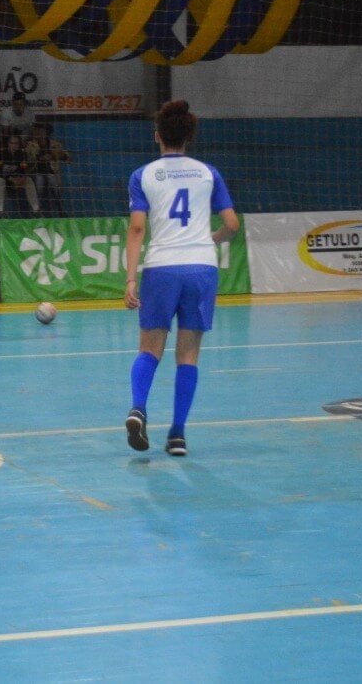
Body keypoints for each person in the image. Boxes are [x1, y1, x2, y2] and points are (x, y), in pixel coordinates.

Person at [122, 99, 240, 457]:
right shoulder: (208, 173)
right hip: (201, 268)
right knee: (188, 355)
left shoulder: (142, 175)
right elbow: (232, 225)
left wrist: (130, 280)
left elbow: (137, 228)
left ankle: (138, 409)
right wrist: (211, 239)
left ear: (157, 135)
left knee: (149, 349)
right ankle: (177, 435)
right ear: (189, 136)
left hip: (162, 268)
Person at [26, 122, 70, 216]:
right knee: (40, 182)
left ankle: (61, 210)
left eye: (42, 131)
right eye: (38, 131)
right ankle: (39, 211)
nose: (39, 133)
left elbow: (68, 157)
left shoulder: (55, 144)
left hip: (52, 171)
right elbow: (27, 160)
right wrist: (39, 159)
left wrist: (54, 156)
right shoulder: (30, 145)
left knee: (53, 182)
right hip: (36, 171)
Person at [0, 132, 40, 217]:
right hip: (5, 180)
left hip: (17, 181)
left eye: (16, 143)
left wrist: (21, 179)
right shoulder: (0, 154)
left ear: (19, 145)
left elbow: (23, 171)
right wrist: (10, 178)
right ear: (8, 144)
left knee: (29, 180)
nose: (13, 145)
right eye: (11, 143)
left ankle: (36, 210)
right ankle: (0, 211)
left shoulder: (23, 155)